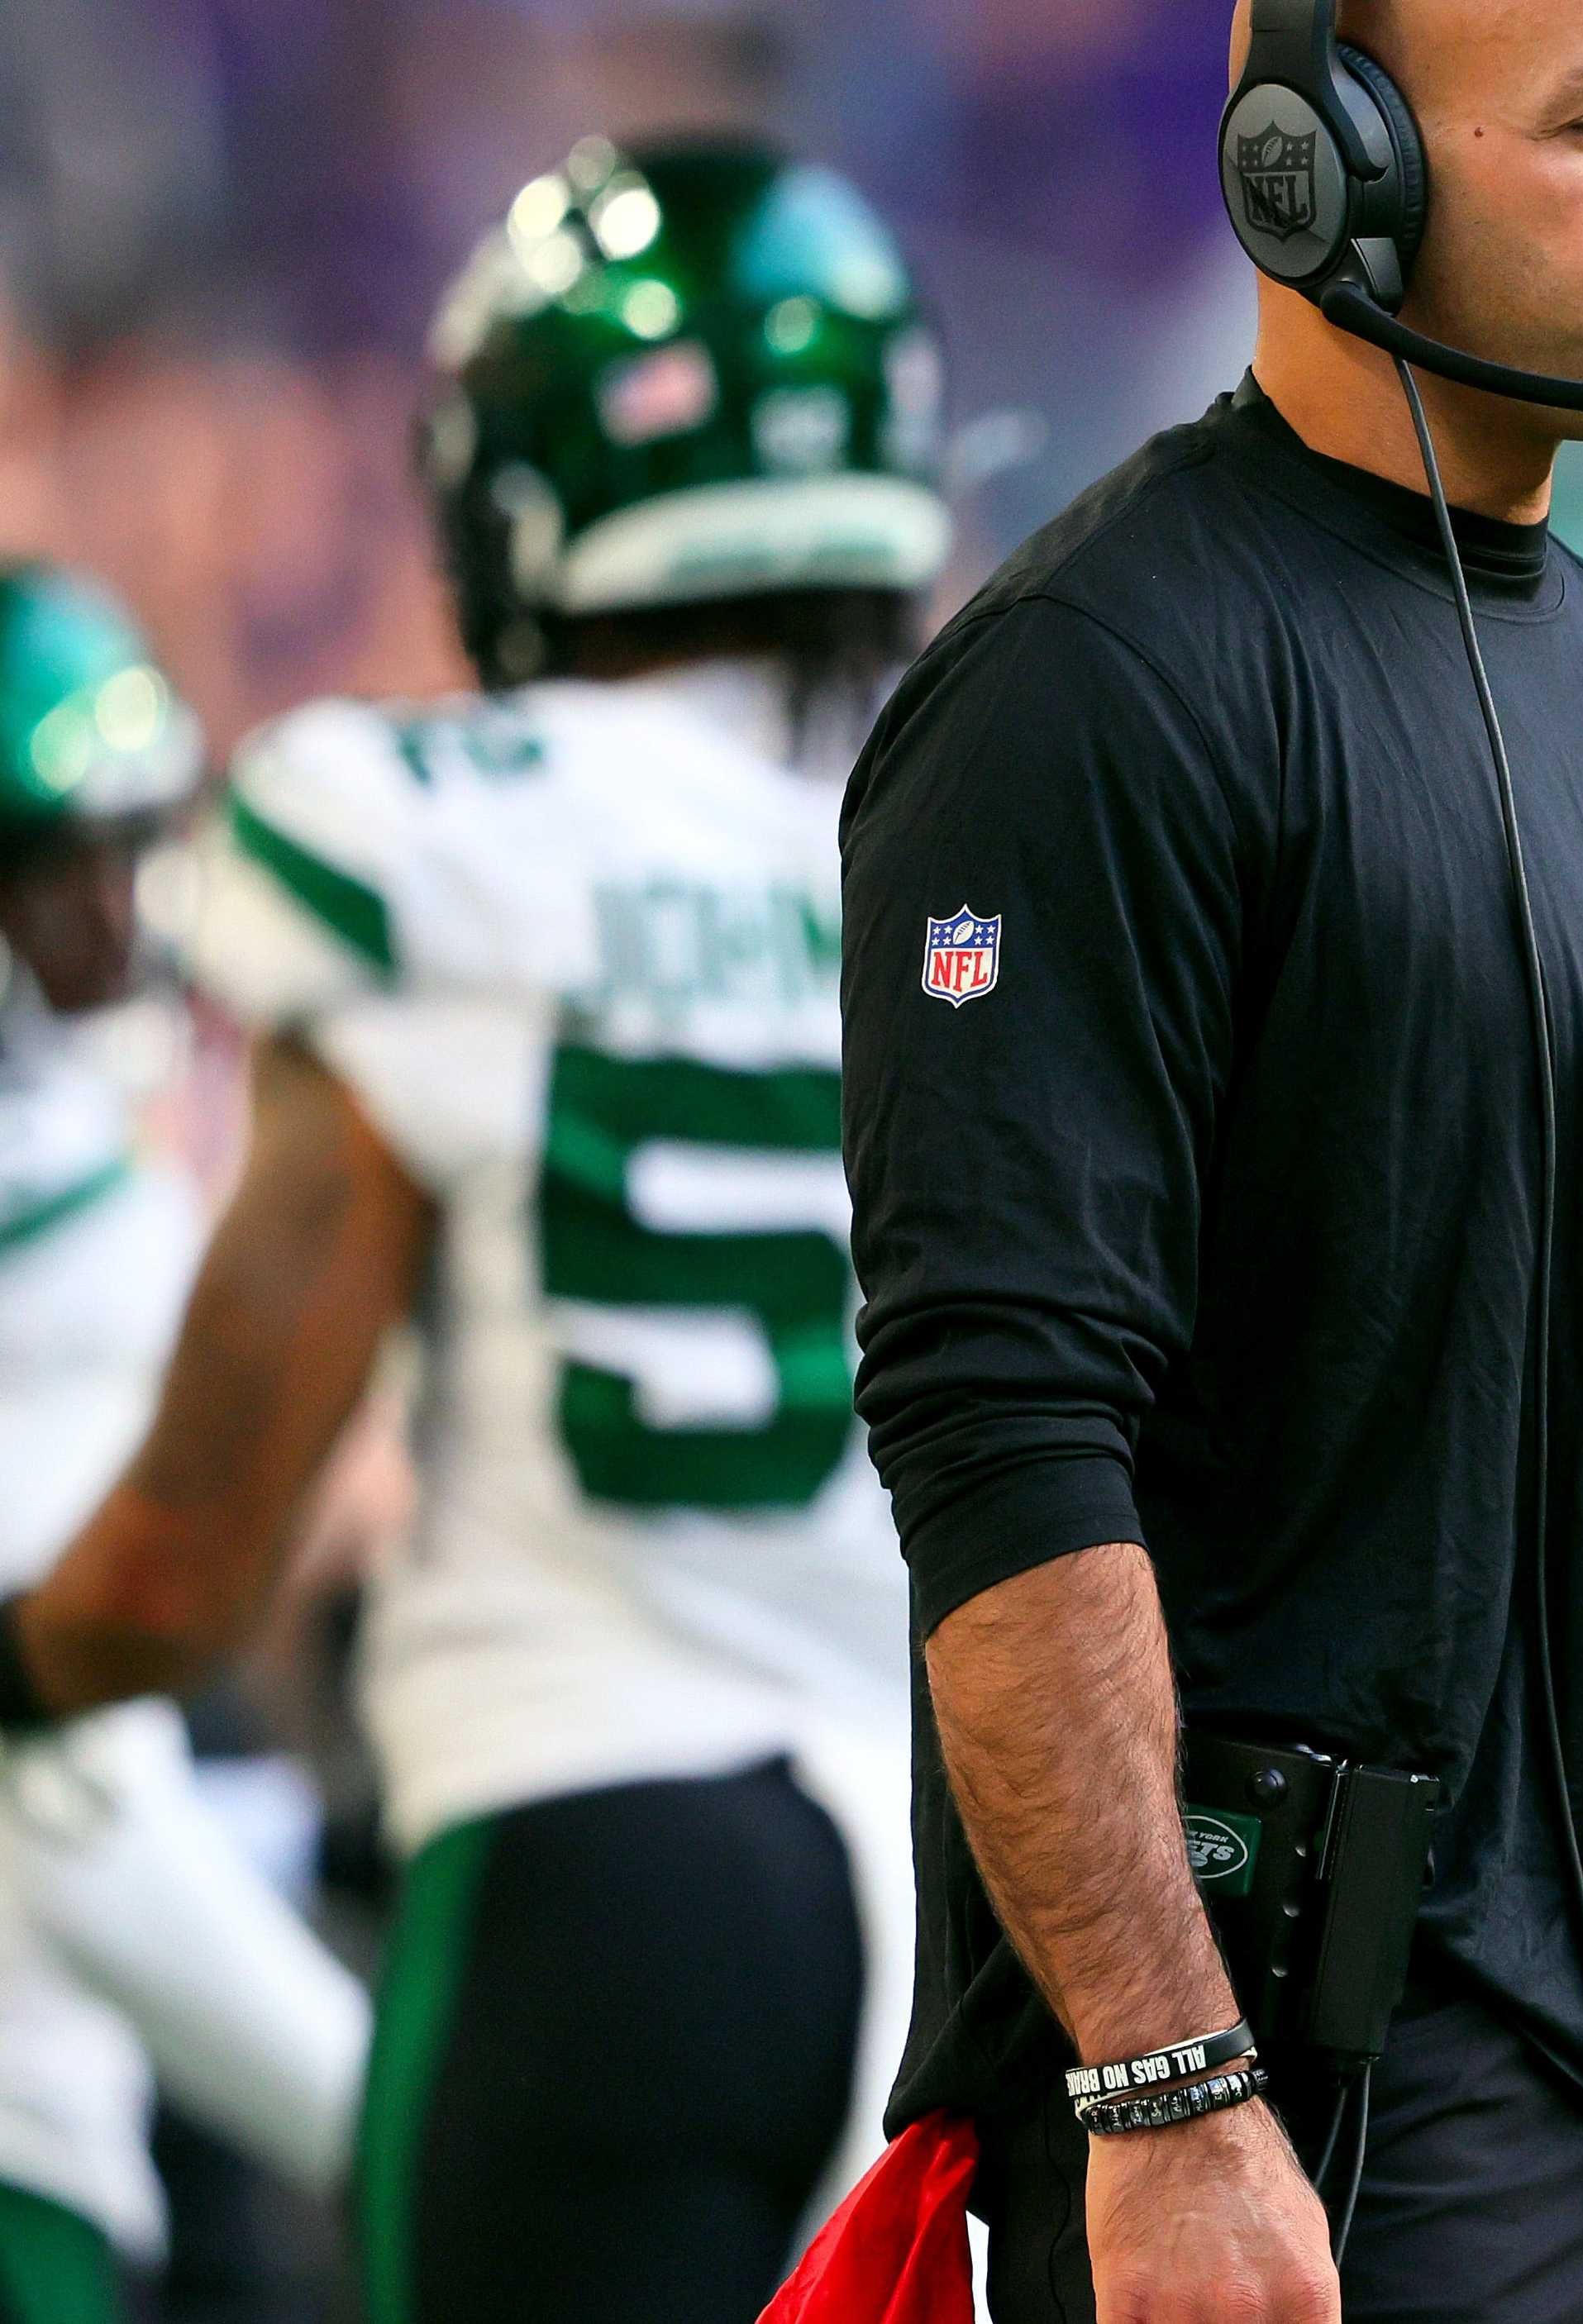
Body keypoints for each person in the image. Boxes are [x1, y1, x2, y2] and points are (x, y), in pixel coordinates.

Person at [830, 1, 1583, 2317]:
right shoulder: (1097, 678)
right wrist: (1168, 2092)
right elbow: (1000, 1420)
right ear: (1327, 167)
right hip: (1312, 2129)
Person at [0, 140, 942, 2322]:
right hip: (937, 1903)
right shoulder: (964, 848)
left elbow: (187, 1557)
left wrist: (27, 1664)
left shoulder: (421, 825)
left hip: (591, 1843)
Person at [0, 565, 369, 2318]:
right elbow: (78, 1809)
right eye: (51, 868)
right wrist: (398, 2125)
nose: (114, 912)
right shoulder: (76, 1232)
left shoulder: (95, 1174)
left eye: (127, 848)